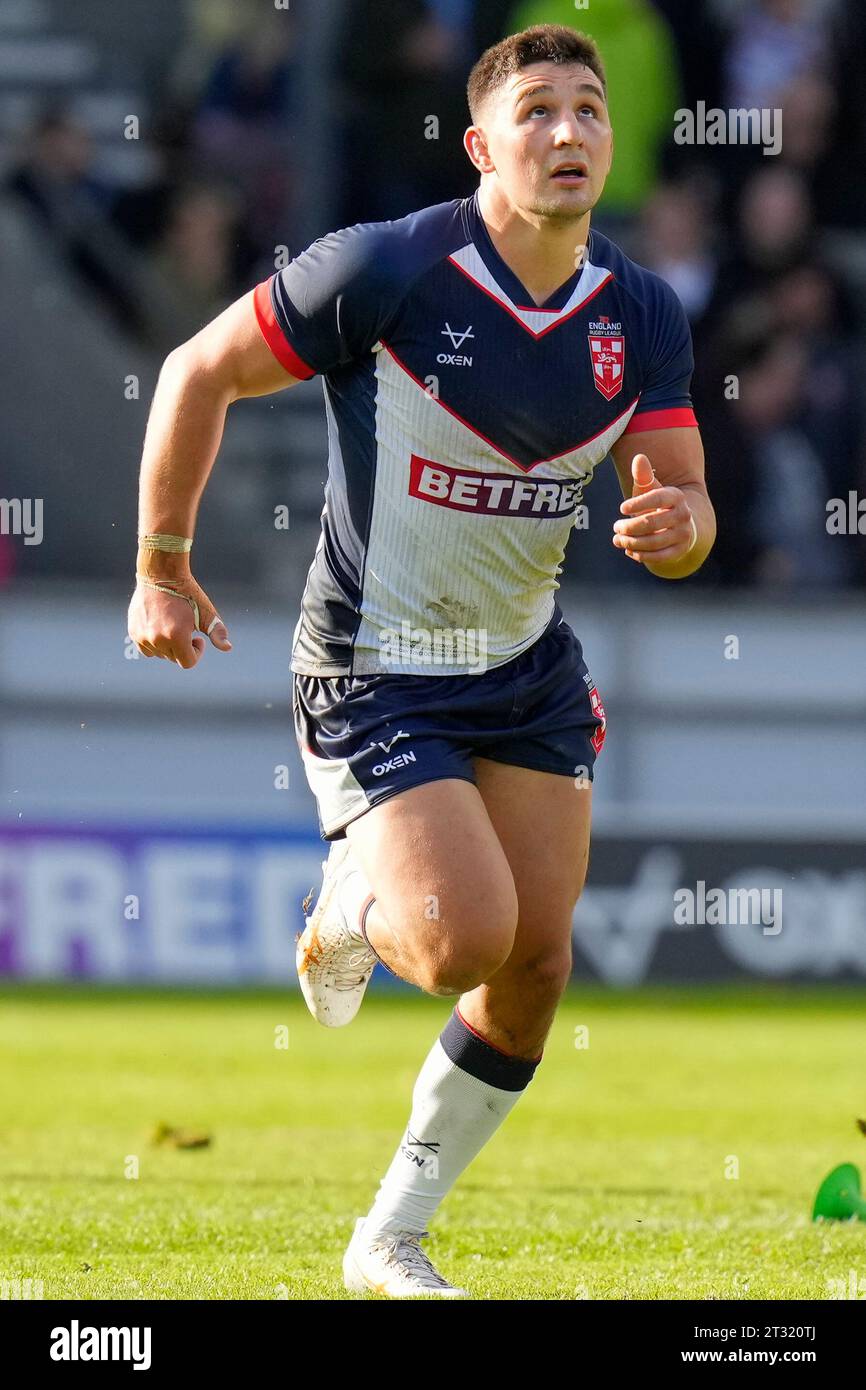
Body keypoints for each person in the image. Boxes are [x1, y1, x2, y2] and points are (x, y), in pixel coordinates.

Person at [127, 23, 715, 1299]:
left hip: (524, 664)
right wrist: (162, 566)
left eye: (586, 111)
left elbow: (683, 514)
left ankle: (387, 1236)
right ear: (480, 147)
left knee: (538, 967)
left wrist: (679, 527)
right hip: (375, 665)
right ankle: (349, 900)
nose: (567, 132)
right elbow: (195, 372)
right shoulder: (385, 271)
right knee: (459, 941)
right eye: (537, 112)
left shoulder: (640, 310)